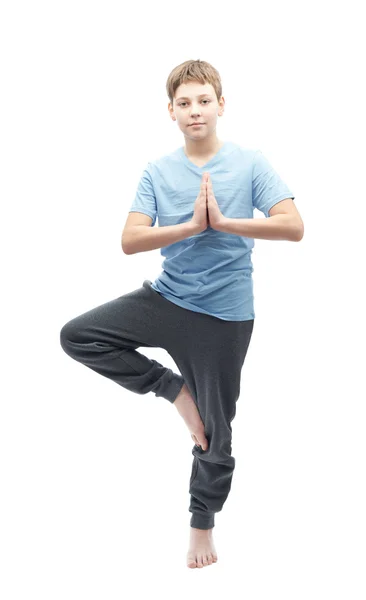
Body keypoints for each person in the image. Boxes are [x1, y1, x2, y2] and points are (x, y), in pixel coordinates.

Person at [60, 59, 304, 569]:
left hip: (225, 317)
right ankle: (174, 391)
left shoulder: (250, 162)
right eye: (185, 103)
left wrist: (226, 223)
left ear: (221, 105)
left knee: (217, 431)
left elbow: (293, 225)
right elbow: (129, 240)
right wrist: (191, 227)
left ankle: (201, 523)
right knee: (78, 335)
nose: (195, 110)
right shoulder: (158, 170)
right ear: (170, 111)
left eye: (204, 100)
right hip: (166, 299)